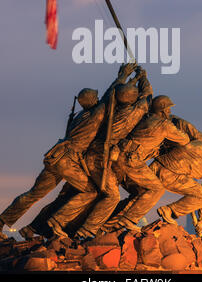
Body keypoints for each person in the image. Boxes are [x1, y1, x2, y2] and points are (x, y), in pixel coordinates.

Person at [0, 63, 136, 240]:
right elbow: (109, 95)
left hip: (55, 156)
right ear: (92, 101)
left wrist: (128, 78)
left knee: (34, 193)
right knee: (91, 191)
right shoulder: (94, 115)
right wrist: (123, 76)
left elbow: (106, 96)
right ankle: (56, 222)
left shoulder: (79, 116)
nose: (98, 100)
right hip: (67, 160)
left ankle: (0, 220)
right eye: (95, 98)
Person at [50, 67, 154, 239]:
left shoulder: (108, 111)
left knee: (95, 192)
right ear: (133, 98)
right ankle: (85, 230)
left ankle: (66, 223)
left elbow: (111, 94)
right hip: (100, 158)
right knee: (112, 196)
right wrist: (143, 77)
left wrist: (127, 78)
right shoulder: (132, 113)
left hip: (90, 155)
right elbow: (148, 95)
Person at [105, 95, 190, 232]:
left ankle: (109, 224)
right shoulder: (164, 125)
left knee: (141, 191)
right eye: (168, 109)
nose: (169, 112)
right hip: (131, 159)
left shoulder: (144, 118)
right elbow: (184, 139)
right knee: (157, 188)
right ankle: (128, 220)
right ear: (162, 110)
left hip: (119, 155)